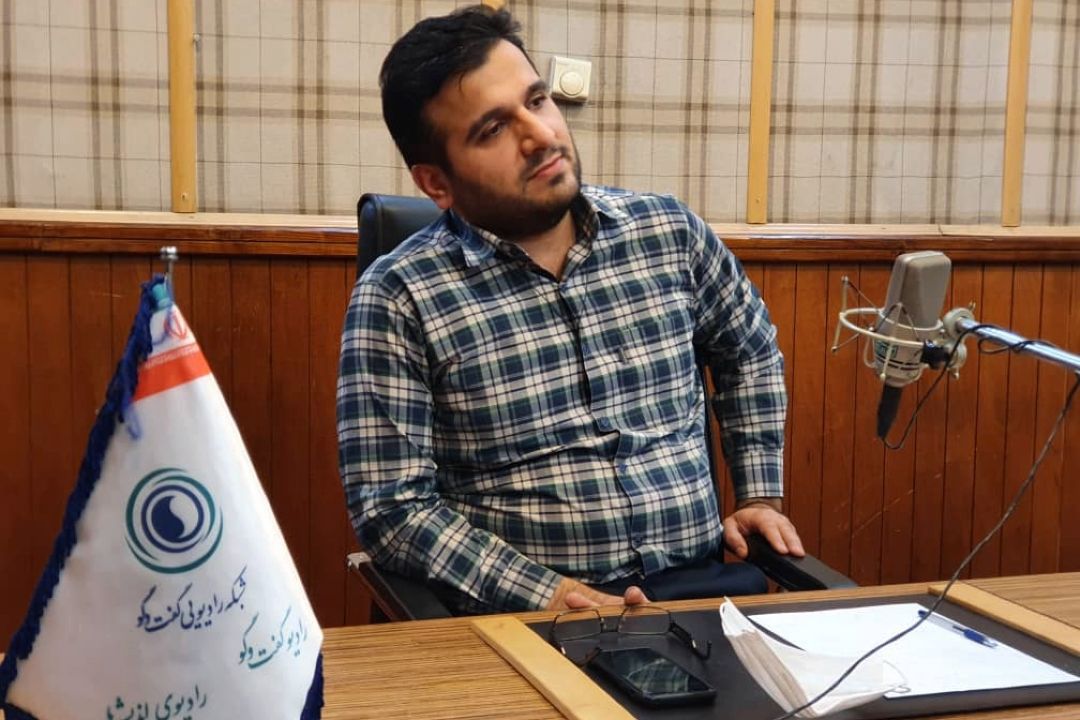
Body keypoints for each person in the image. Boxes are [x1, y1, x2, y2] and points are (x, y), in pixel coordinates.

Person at [337, 5, 804, 615]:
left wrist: (759, 494)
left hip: (701, 598)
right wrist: (554, 595)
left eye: (537, 100)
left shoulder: (668, 232)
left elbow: (750, 351)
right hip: (531, 621)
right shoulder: (399, 296)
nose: (539, 135)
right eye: (492, 130)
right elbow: (394, 510)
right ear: (436, 184)